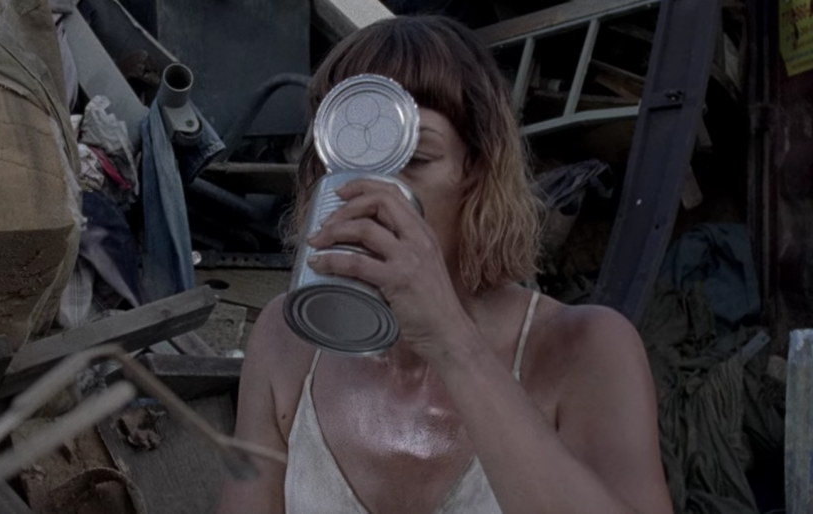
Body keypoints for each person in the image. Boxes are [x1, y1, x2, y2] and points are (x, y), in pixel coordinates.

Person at [217, 15, 673, 514]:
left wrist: (450, 338)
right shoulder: (287, 342)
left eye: (414, 160)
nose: (372, 196)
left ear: (475, 167)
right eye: (349, 159)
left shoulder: (585, 349)